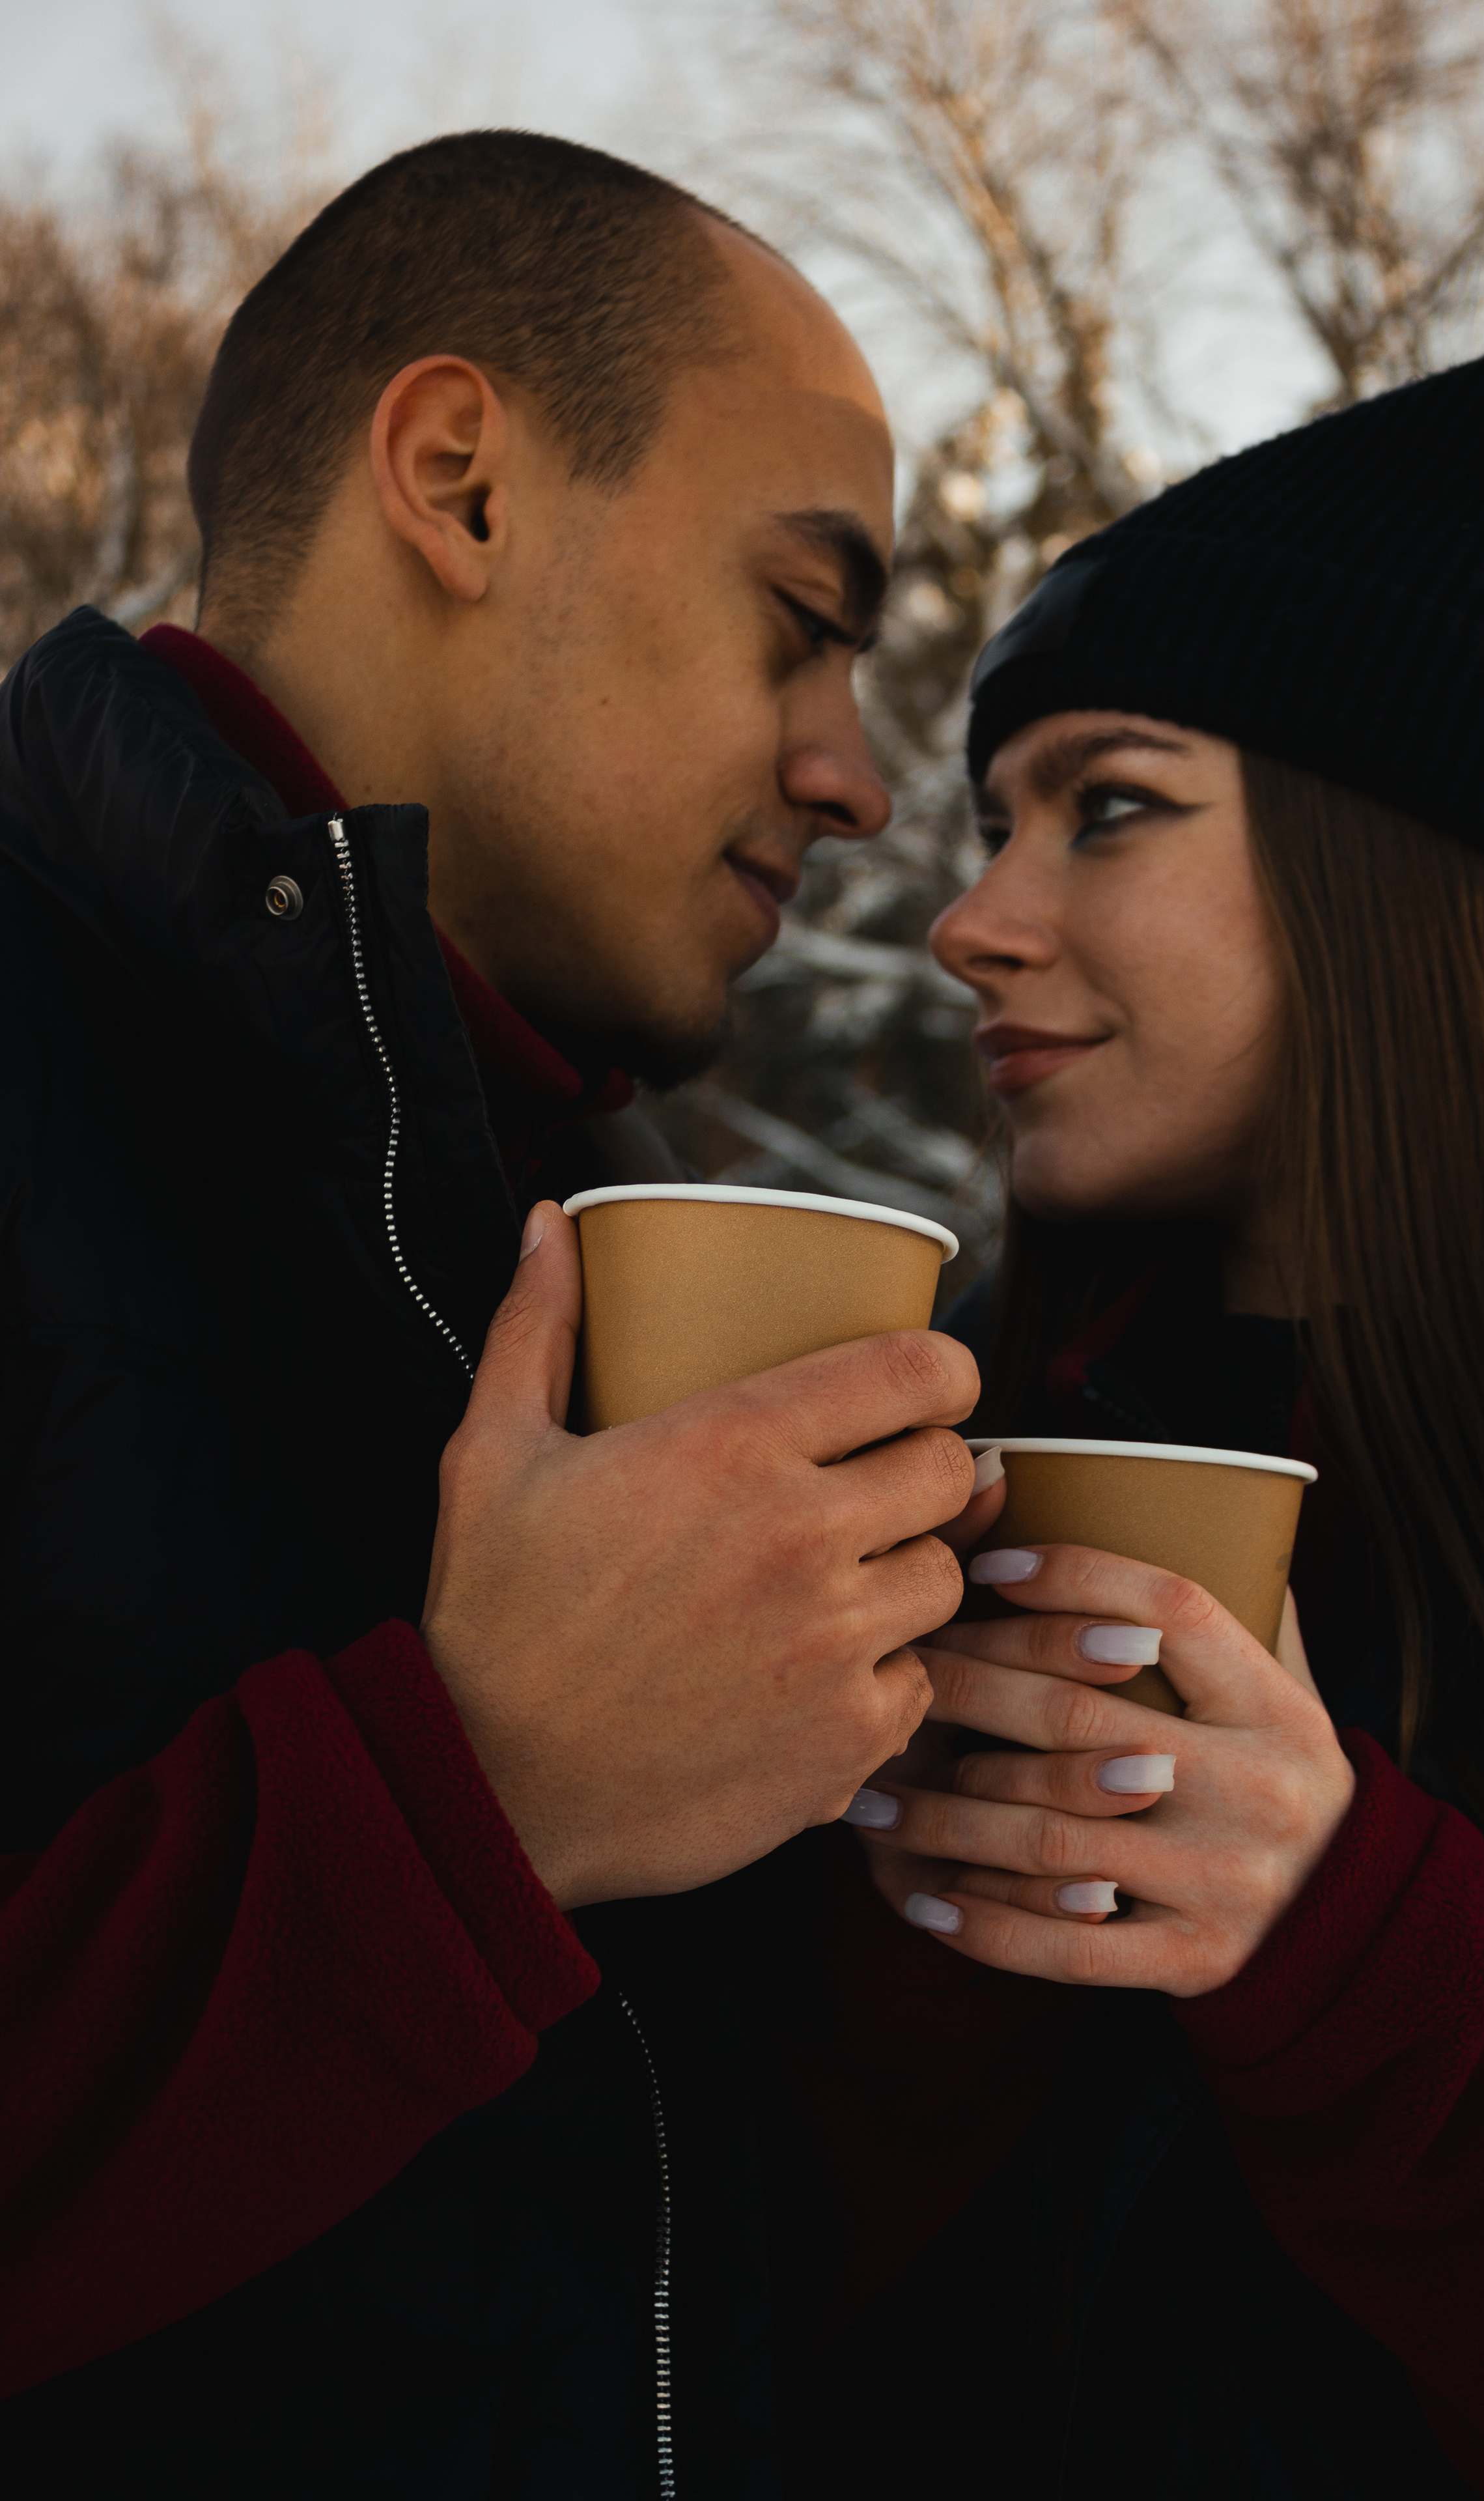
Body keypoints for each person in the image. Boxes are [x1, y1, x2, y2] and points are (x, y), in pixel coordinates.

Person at [0, 131, 982, 2493]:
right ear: (460, 482)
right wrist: (473, 1800)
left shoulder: (583, 1205)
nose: (859, 778)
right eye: (799, 618)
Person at [835, 309, 1484, 2496]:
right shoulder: (951, 1448)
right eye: (994, 821)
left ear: (1402, 863)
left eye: (1106, 808)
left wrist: (1350, 1954)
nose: (971, 923)